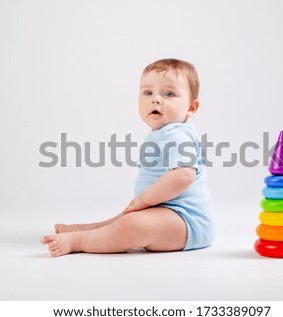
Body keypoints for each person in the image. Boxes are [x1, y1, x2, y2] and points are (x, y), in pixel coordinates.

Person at [41, 58, 214, 257]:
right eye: (148, 92)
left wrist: (143, 199)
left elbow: (184, 175)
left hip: (188, 223)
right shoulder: (164, 134)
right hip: (167, 214)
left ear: (191, 108)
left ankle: (78, 241)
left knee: (133, 224)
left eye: (169, 94)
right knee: (127, 218)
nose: (155, 99)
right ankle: (92, 230)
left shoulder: (176, 134)